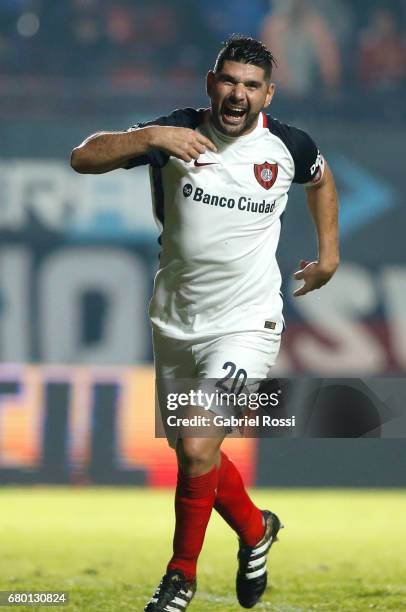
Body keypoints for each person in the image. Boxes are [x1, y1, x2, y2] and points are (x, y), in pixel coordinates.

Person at [71, 35, 339, 611]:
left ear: (268, 93)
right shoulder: (173, 133)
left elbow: (320, 180)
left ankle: (180, 577)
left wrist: (330, 255)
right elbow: (82, 157)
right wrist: (149, 137)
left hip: (247, 323)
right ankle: (255, 528)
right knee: (196, 455)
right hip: (174, 322)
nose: (237, 94)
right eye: (229, 81)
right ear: (209, 83)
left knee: (196, 448)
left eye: (250, 85)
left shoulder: (289, 146)